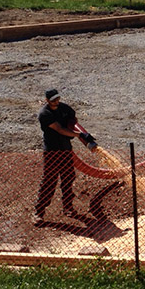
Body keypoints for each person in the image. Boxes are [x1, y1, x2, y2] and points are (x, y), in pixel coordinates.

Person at [33, 89, 96, 225]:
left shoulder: (64, 108)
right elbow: (60, 129)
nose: (57, 101)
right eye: (53, 99)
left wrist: (76, 126)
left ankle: (68, 207)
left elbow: (73, 118)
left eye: (58, 98)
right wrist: (79, 135)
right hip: (52, 152)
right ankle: (38, 212)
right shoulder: (45, 114)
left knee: (68, 179)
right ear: (47, 100)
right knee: (49, 182)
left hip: (66, 150)